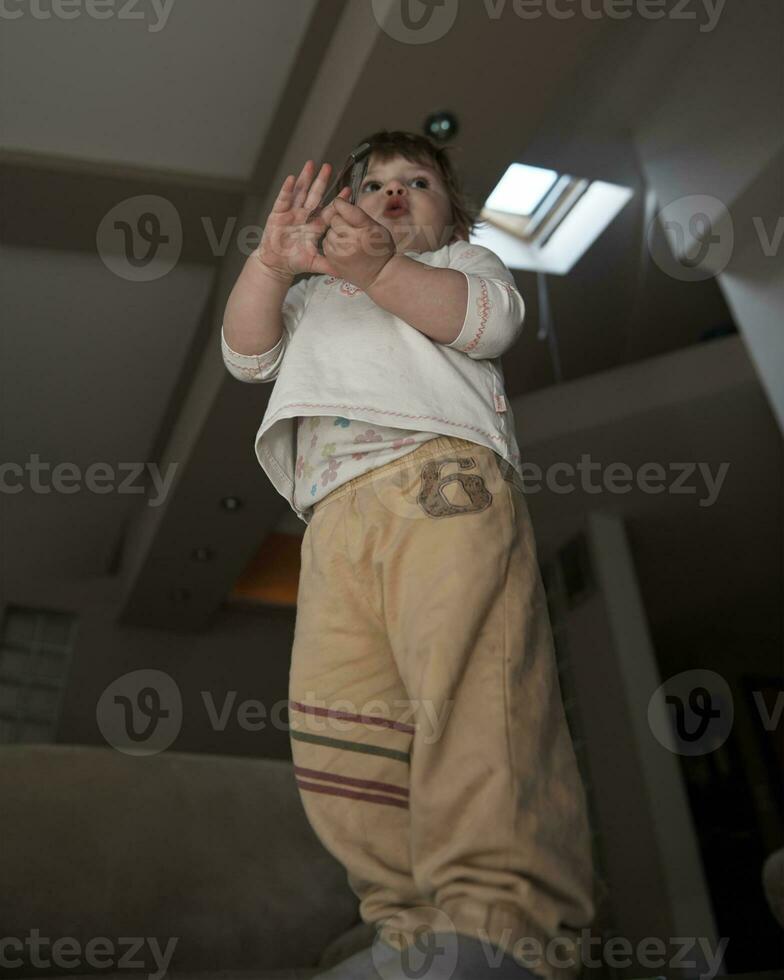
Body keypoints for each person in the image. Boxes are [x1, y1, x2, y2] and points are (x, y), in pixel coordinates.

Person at [221, 131, 595, 980]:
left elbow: (483, 325)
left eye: (416, 183)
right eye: (375, 184)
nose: (393, 193)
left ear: (450, 212)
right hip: (330, 521)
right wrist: (274, 267)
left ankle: (506, 921)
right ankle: (408, 927)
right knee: (344, 722)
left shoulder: (470, 264)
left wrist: (381, 271)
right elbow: (246, 355)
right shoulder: (315, 297)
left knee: (469, 682)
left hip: (442, 485)